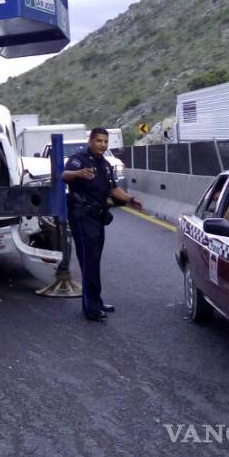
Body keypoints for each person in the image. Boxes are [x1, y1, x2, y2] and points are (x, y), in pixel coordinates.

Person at [62, 127, 143, 321]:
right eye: (99, 141)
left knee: (95, 260)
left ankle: (96, 301)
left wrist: (130, 199)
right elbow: (63, 175)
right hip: (82, 217)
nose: (102, 145)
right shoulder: (78, 160)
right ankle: (90, 307)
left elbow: (113, 190)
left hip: (98, 218)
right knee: (88, 262)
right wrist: (79, 173)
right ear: (90, 141)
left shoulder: (105, 164)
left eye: (105, 142)